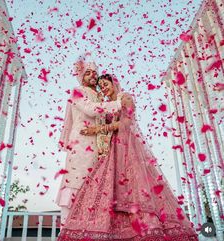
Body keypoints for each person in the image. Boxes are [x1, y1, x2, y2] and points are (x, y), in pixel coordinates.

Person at [57, 74, 198, 240]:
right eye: (101, 85)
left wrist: (96, 130)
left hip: (128, 148)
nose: (103, 87)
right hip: (112, 149)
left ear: (114, 83)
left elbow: (126, 123)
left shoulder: (124, 97)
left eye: (105, 83)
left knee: (135, 187)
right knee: (109, 189)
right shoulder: (107, 106)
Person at [56, 59, 122, 229]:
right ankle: (65, 232)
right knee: (75, 183)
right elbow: (90, 109)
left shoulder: (101, 96)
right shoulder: (77, 91)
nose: (93, 75)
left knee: (95, 188)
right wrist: (119, 103)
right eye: (88, 72)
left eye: (94, 72)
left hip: (99, 148)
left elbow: (104, 117)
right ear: (81, 77)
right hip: (80, 145)